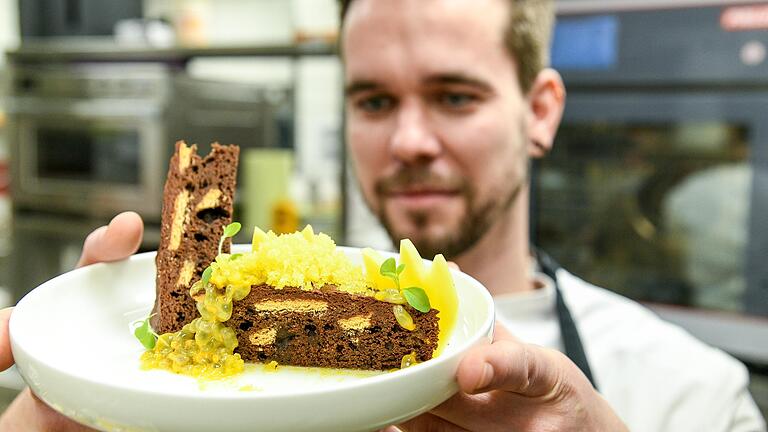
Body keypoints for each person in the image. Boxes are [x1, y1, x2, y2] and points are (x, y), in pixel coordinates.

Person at [0, 0, 765, 431]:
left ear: (539, 111)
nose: (407, 141)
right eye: (374, 100)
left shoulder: (694, 393)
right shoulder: (242, 350)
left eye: (455, 96)